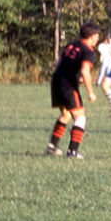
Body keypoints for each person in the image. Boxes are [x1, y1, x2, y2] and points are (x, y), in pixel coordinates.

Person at [47, 24, 101, 158]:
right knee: (80, 117)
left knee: (66, 115)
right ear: (92, 36)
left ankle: (52, 147)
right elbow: (85, 71)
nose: (98, 39)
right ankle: (72, 152)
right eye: (97, 36)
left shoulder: (71, 45)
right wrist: (90, 92)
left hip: (56, 80)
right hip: (68, 84)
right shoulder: (88, 50)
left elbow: (60, 63)